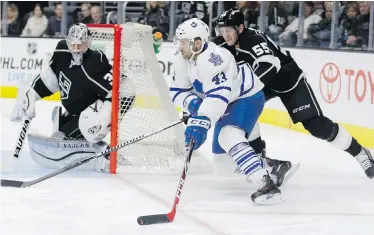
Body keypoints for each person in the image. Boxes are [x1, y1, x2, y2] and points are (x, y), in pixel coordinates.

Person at [214, 9, 374, 179]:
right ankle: (262, 161)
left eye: (229, 30)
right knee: (244, 109)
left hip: (288, 81)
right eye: (222, 31)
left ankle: (360, 153)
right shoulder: (223, 45)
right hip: (262, 85)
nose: (226, 35)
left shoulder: (253, 40)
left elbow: (269, 66)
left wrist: (241, 90)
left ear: (240, 28)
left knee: (317, 126)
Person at [170, 18, 283, 204]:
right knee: (223, 164)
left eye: (183, 42)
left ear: (197, 43)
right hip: (226, 102)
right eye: (178, 41)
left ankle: (265, 183)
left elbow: (218, 96)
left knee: (228, 135)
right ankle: (272, 166)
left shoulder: (216, 58)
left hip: (246, 97)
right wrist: (193, 104)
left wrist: (200, 122)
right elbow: (178, 91)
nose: (179, 46)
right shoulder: (182, 59)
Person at [11, 23, 136, 173]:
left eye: (80, 45)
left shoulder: (94, 63)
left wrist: (107, 115)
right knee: (62, 135)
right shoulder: (62, 51)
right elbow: (49, 80)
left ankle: (106, 154)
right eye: (73, 45)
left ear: (88, 43)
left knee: (89, 126)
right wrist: (32, 93)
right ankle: (64, 123)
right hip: (76, 111)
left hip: (93, 111)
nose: (76, 49)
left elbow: (125, 89)